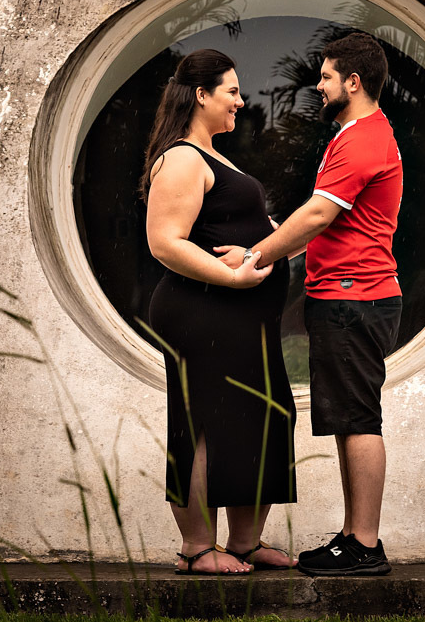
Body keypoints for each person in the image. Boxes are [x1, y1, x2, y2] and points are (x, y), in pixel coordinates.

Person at [217, 32, 402, 576]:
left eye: (324, 77)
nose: (317, 86)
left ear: (354, 81)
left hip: (354, 299)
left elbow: (319, 215)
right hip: (348, 296)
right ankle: (352, 537)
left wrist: (254, 255)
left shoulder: (362, 138)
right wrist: (272, 240)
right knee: (350, 419)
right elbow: (319, 222)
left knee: (360, 419)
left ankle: (364, 544)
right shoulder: (356, 135)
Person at [142, 48, 299, 575]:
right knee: (205, 424)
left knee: (259, 414)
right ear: (201, 94)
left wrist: (265, 254)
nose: (240, 100)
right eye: (230, 90)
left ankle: (245, 542)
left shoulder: (217, 157)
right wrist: (234, 276)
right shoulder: (184, 157)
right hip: (202, 312)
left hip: (241, 318)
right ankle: (196, 547)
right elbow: (165, 242)